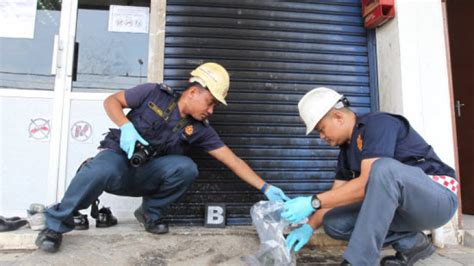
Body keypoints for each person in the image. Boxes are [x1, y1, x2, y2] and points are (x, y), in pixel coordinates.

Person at [35, 62, 289, 253]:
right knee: (99, 169)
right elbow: (112, 101)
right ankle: (55, 225)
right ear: (192, 92)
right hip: (118, 164)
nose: (211, 110)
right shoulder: (153, 93)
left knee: (186, 167)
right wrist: (125, 126)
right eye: (210, 102)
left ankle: (149, 213)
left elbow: (232, 160)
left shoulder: (201, 129)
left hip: (147, 176)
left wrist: (265, 187)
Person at [281, 87, 458, 266]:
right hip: (401, 211)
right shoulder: (345, 152)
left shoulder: (378, 124)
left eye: (321, 129)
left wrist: (312, 202)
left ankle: (359, 261)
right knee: (334, 222)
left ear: (338, 117)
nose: (321, 136)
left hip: (437, 199)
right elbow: (334, 198)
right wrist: (308, 227)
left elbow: (366, 182)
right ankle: (412, 244)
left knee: (383, 169)